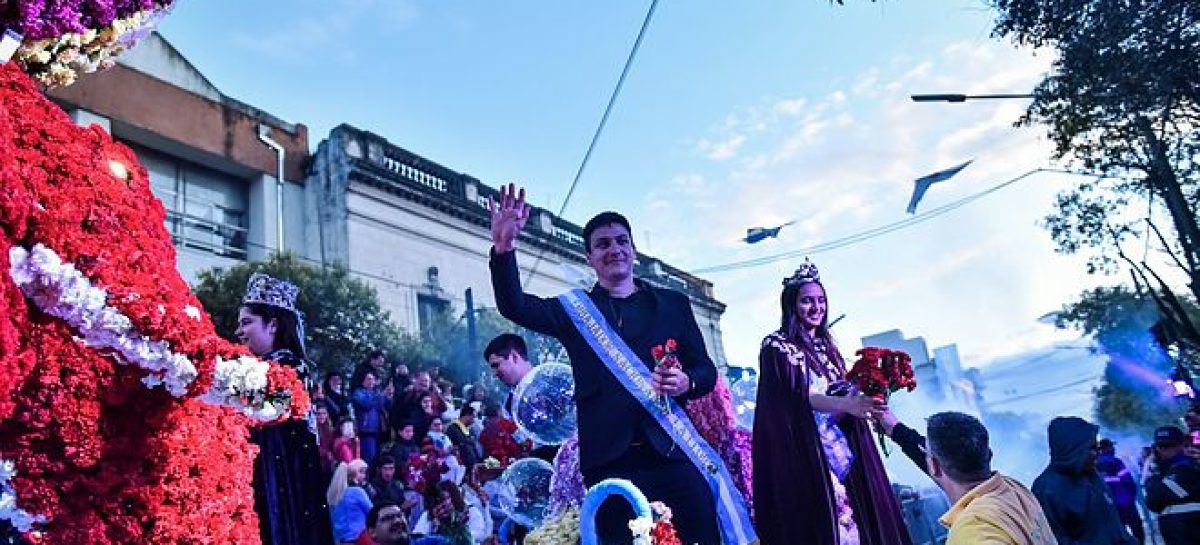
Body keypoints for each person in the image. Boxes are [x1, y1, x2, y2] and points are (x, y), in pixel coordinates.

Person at [488, 185, 748, 545]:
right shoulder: (574, 311)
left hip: (673, 451)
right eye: (603, 244)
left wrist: (686, 381)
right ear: (590, 258)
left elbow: (705, 369)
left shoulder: (673, 304)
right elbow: (515, 305)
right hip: (611, 463)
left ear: (634, 250)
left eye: (621, 241)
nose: (614, 249)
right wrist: (504, 249)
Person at [752, 260, 910, 545]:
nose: (816, 308)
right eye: (807, 301)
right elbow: (799, 397)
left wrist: (870, 394)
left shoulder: (829, 346)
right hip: (811, 452)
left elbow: (840, 390)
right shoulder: (776, 346)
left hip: (850, 444)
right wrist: (847, 405)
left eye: (821, 300)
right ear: (791, 305)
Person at [236, 273, 334, 545]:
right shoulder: (253, 367)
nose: (239, 332)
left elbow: (269, 413)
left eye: (247, 322)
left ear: (273, 326)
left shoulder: (290, 368)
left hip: (282, 473)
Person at [923, 412, 1056, 545]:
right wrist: (901, 430)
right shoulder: (1013, 487)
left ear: (934, 466)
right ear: (989, 455)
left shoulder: (974, 532)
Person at [1032, 416, 1136, 545]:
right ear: (1073, 449)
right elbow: (1054, 539)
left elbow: (1115, 528)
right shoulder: (1045, 489)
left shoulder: (1093, 477)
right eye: (1092, 448)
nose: (1098, 453)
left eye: (1098, 447)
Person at [1143, 425, 1200, 545]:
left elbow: (1153, 500)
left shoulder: (1185, 467)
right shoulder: (1167, 469)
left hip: (1189, 532)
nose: (1164, 450)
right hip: (1179, 533)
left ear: (1181, 445)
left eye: (1169, 445)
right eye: (1160, 446)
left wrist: (1152, 475)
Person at [1096, 438, 1144, 544]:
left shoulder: (1093, 465)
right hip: (1125, 502)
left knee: (1119, 534)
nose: (1113, 449)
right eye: (1111, 446)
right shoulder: (1115, 461)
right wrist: (1131, 497)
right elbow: (1128, 480)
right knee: (1137, 530)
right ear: (1107, 448)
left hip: (1110, 507)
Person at [329, 459, 374, 545]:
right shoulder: (357, 492)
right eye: (361, 472)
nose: (364, 476)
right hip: (358, 540)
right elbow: (372, 512)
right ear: (353, 474)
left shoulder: (333, 495)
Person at [367, 502, 448, 545]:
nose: (397, 521)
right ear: (373, 532)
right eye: (388, 518)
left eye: (399, 515)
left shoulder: (435, 543)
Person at [354, 370, 390, 465]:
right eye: (368, 379)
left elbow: (386, 407)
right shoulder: (358, 393)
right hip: (366, 432)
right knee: (368, 459)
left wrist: (389, 395)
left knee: (376, 460)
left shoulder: (376, 393)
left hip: (378, 432)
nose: (371, 381)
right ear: (363, 381)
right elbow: (366, 404)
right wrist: (382, 395)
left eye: (373, 379)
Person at [447, 405, 480, 470]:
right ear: (467, 415)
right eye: (473, 417)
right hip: (460, 467)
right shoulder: (452, 429)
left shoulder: (469, 430)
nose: (474, 420)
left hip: (472, 467)